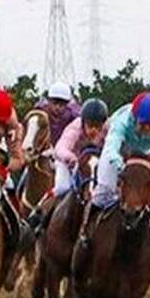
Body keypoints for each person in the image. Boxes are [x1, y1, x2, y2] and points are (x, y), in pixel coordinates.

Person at [78, 91, 150, 261]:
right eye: (143, 125)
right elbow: (111, 150)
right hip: (118, 154)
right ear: (134, 118)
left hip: (142, 155)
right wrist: (122, 169)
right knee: (104, 191)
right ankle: (86, 231)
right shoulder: (121, 122)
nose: (147, 130)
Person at [25, 98, 109, 230]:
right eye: (90, 125)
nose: (93, 130)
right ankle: (38, 212)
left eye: (97, 126)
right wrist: (71, 158)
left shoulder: (108, 129)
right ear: (83, 122)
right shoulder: (75, 128)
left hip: (93, 164)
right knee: (63, 187)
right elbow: (60, 148)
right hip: (68, 161)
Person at [32, 81, 81, 145]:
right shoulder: (40, 114)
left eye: (61, 104)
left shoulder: (73, 116)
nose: (57, 107)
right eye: (55, 103)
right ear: (49, 101)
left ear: (67, 104)